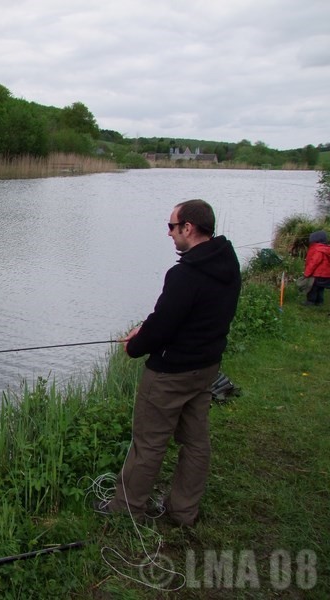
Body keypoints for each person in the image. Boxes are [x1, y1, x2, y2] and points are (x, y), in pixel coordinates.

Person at [95, 199, 241, 527]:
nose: (169, 233)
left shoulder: (185, 274)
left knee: (148, 442)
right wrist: (146, 328)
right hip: (205, 368)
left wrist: (135, 346)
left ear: (188, 227)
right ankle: (183, 511)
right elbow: (176, 317)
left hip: (170, 374)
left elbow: (163, 326)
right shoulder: (226, 262)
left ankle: (127, 509)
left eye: (171, 226)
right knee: (196, 442)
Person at [302, 230, 330, 306]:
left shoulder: (317, 249)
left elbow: (314, 263)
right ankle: (319, 302)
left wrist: (307, 273)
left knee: (312, 288)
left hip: (317, 274)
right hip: (325, 275)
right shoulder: (326, 248)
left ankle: (310, 301)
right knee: (320, 288)